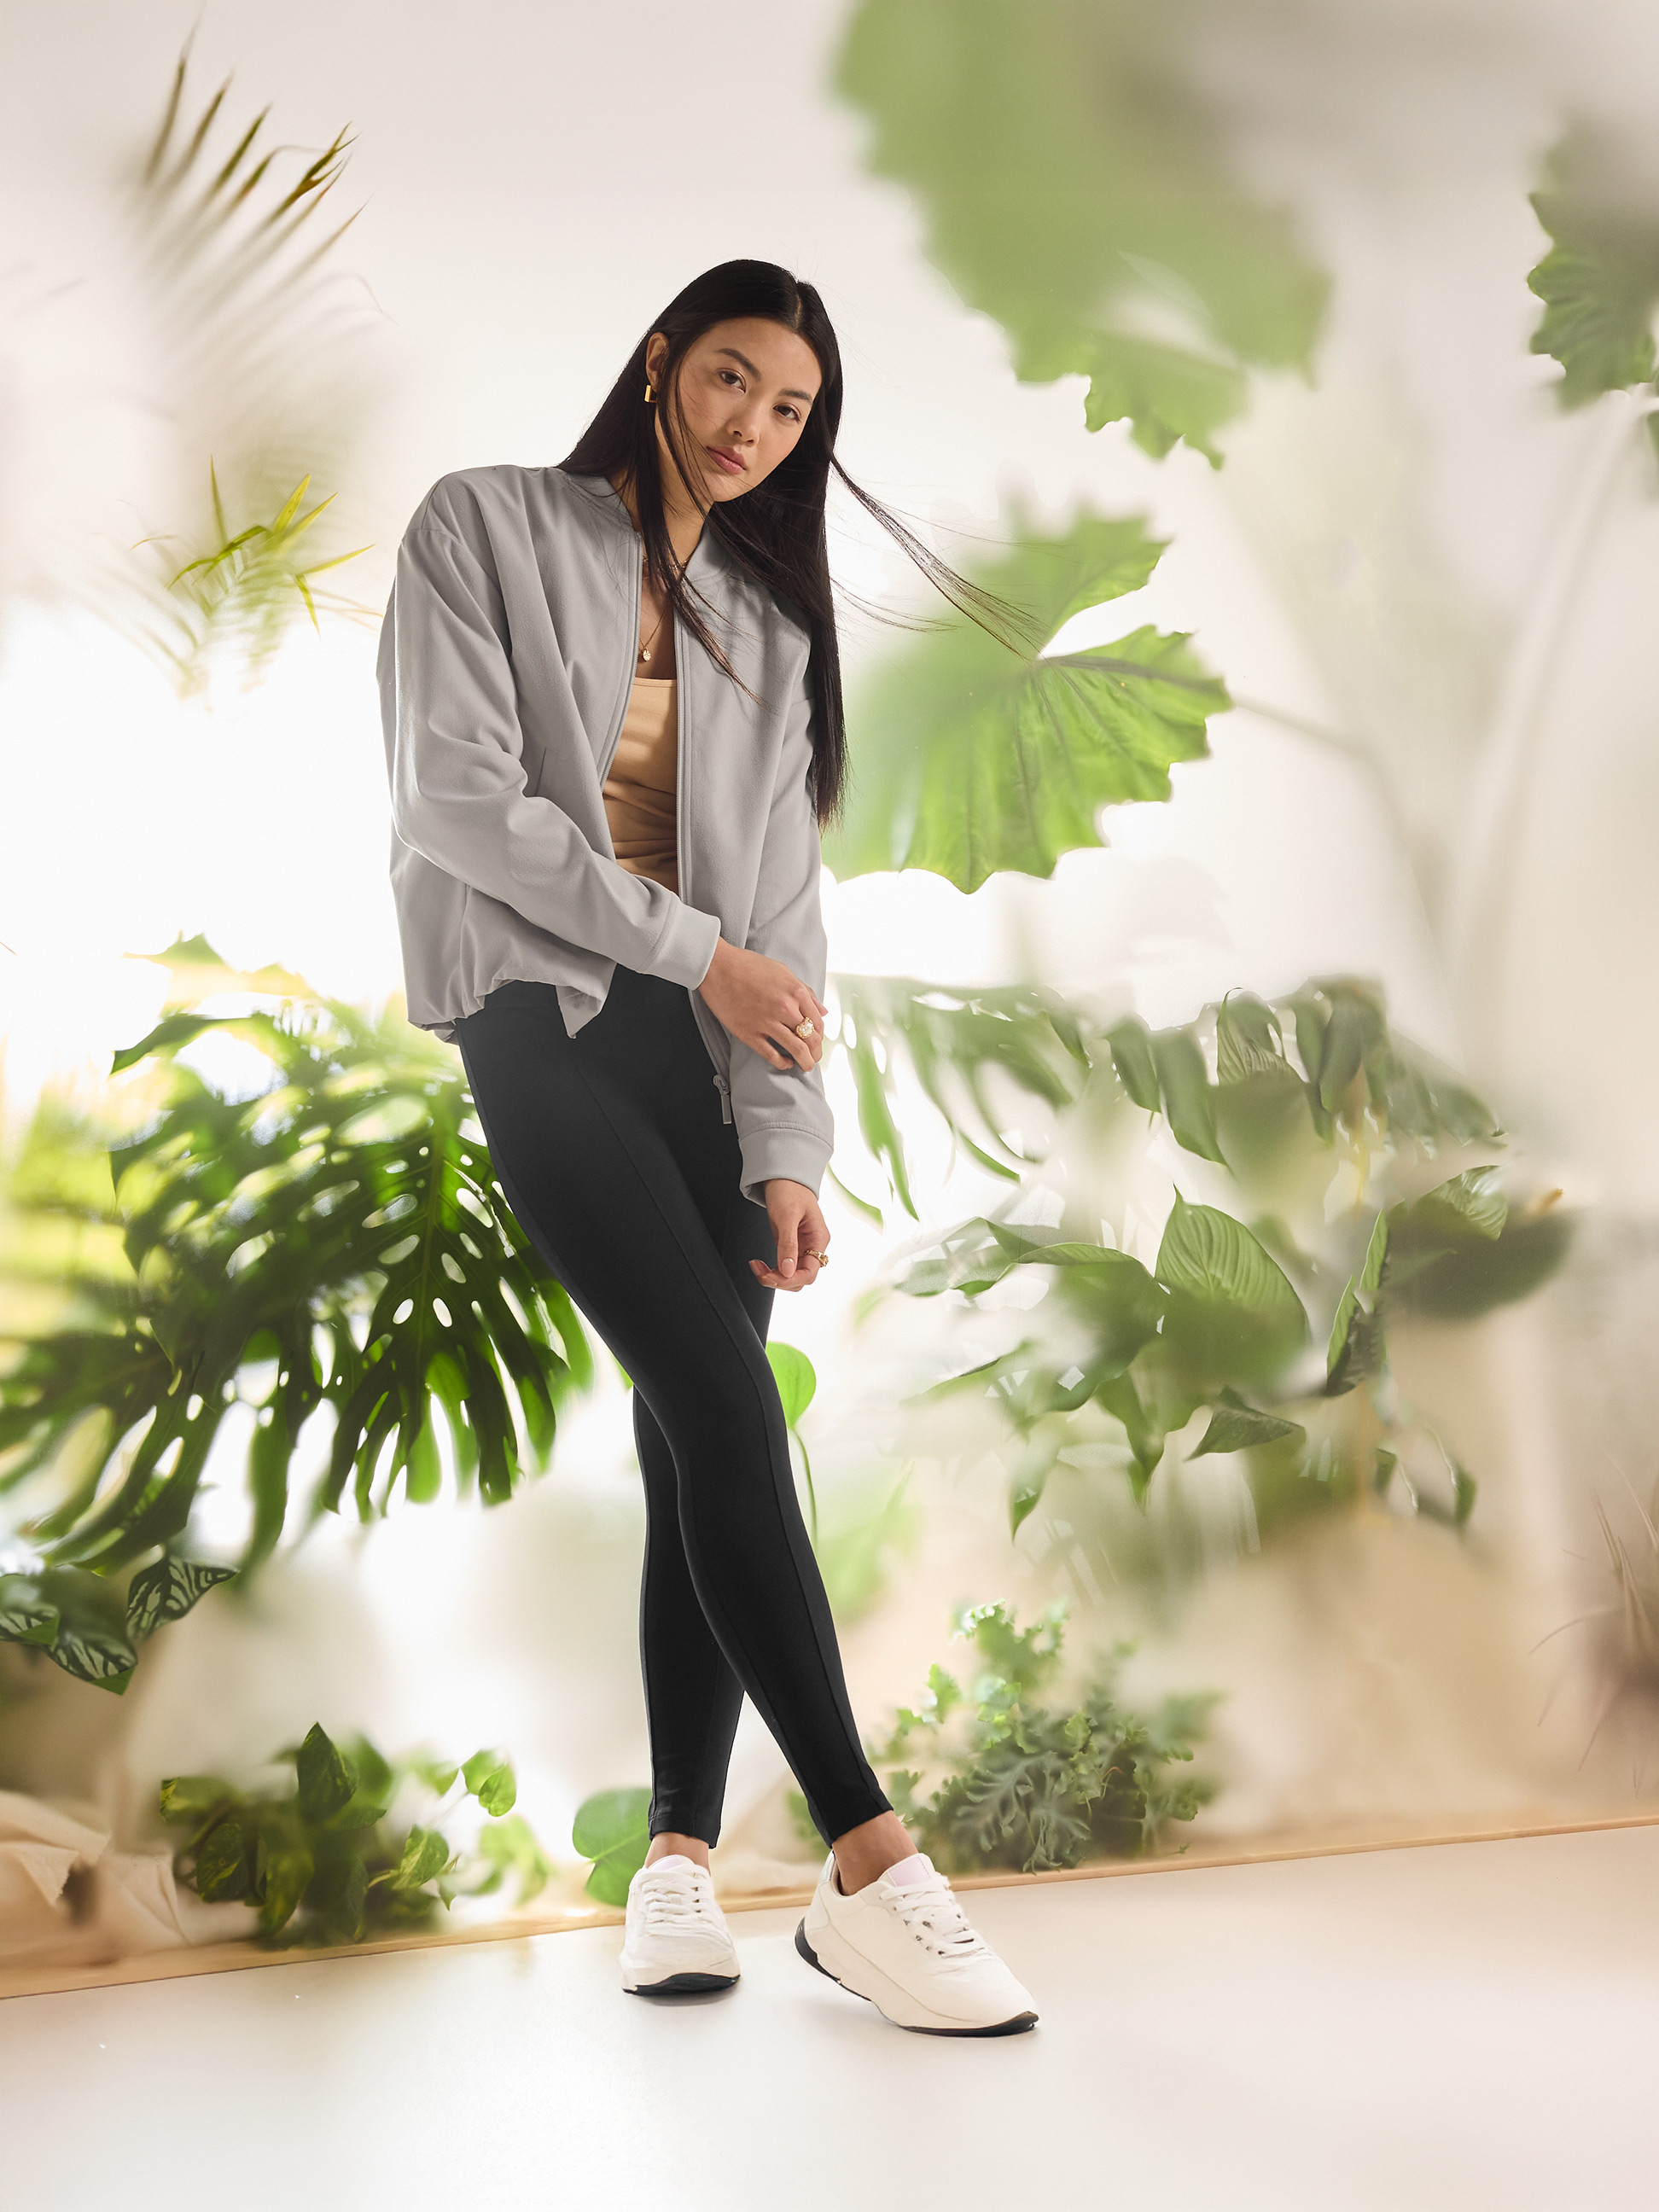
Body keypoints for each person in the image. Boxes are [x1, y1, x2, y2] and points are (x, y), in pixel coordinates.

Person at [377, 259, 1037, 2036]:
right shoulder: (487, 526)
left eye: (795, 407)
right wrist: (694, 956)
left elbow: (781, 933)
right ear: (664, 358)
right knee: (736, 1413)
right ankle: (871, 1866)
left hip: (710, 1057)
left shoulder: (771, 630)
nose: (755, 426)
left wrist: (789, 1149)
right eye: (733, 378)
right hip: (543, 1029)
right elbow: (457, 799)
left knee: (700, 1440)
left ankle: (676, 1861)